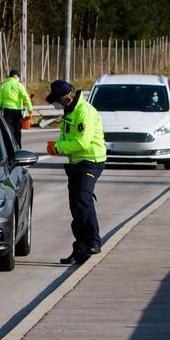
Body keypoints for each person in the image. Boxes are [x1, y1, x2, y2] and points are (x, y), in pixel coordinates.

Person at [45, 79, 106, 265]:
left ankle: (93, 242)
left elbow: (82, 142)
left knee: (82, 200)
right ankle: (80, 250)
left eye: (56, 100)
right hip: (76, 163)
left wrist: (58, 148)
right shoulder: (69, 110)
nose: (55, 104)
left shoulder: (83, 111)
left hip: (91, 160)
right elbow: (68, 136)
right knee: (76, 206)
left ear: (66, 98)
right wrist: (58, 145)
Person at [0, 69, 32, 146]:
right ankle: (18, 145)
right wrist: (30, 109)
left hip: (7, 111)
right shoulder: (19, 85)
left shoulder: (4, 86)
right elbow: (26, 97)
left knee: (8, 129)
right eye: (18, 76)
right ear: (15, 76)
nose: (19, 78)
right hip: (17, 111)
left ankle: (8, 145)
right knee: (17, 129)